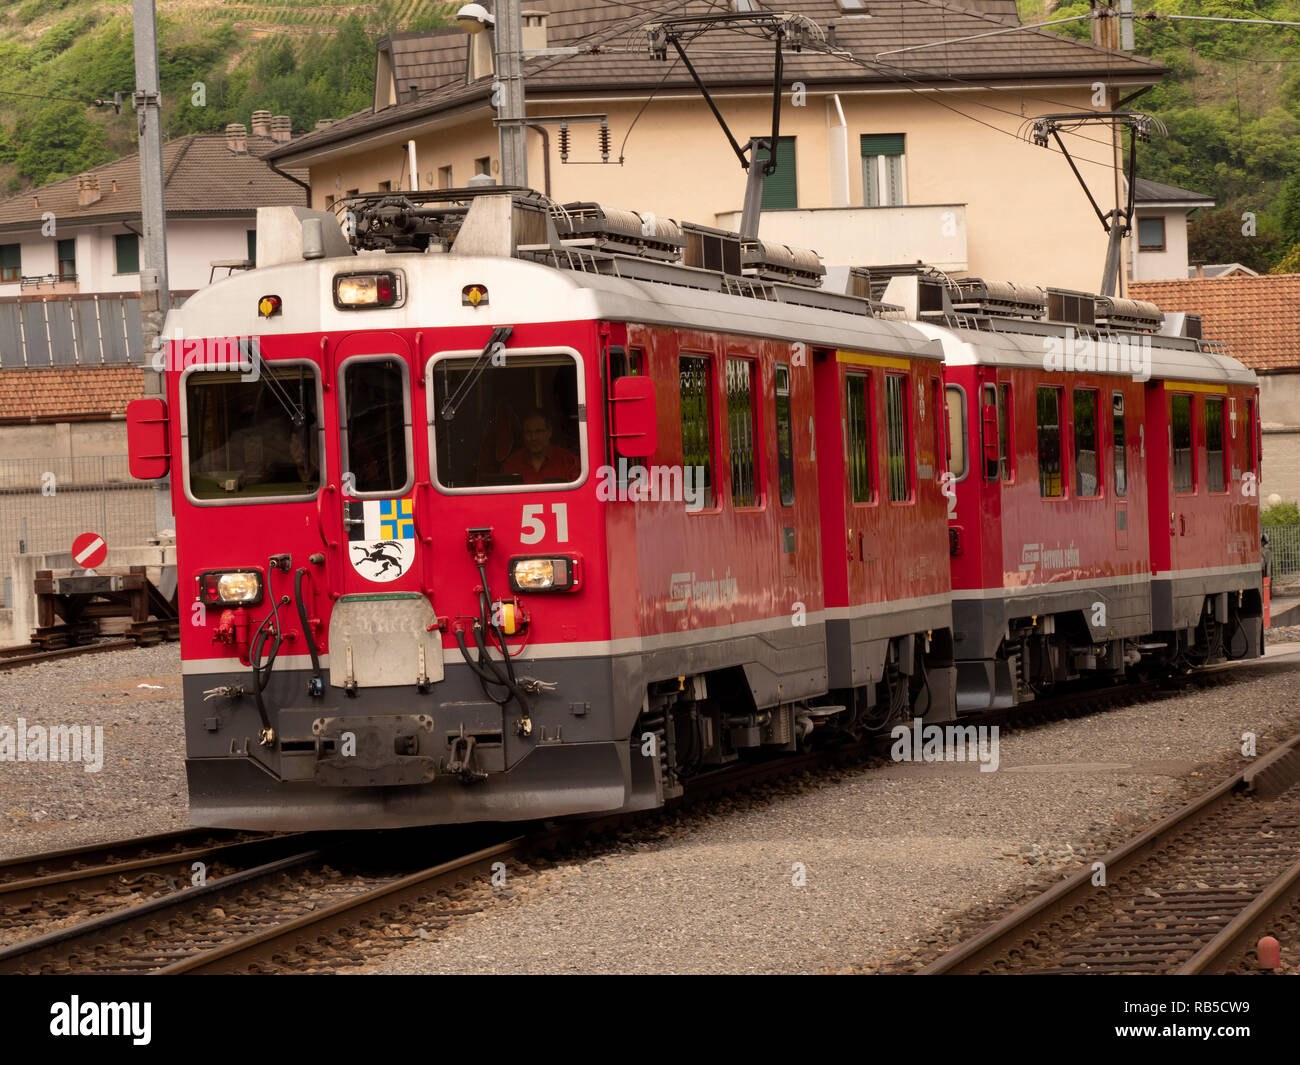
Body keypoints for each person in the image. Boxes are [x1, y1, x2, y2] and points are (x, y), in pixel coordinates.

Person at [499, 409, 580, 484]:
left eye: (538, 431)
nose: (533, 438)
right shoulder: (511, 464)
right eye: (528, 432)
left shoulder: (569, 462)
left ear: (549, 432)